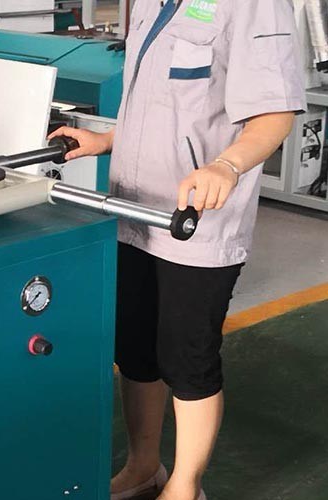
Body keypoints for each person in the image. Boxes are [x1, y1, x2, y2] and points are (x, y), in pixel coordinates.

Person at [50, 0, 306, 498]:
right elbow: (160, 107)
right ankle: (144, 466)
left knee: (187, 358)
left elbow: (275, 113)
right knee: (135, 350)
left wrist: (227, 166)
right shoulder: (150, 3)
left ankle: (186, 486)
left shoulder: (254, 5)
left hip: (197, 224)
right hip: (134, 213)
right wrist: (104, 141)